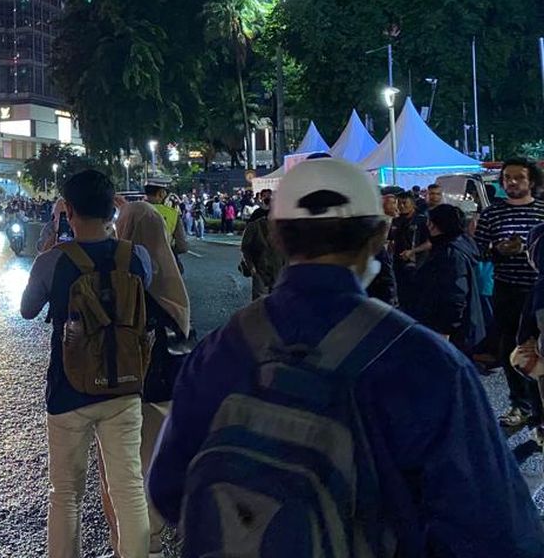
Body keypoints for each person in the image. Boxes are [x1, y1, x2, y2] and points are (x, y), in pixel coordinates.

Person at [149, 158, 544, 557]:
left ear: (276, 235)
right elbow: (494, 528)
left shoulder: (221, 351)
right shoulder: (425, 361)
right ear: (378, 234)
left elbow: (168, 489)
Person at [20, 170, 154, 558]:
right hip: (126, 385)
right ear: (112, 207)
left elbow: (28, 310)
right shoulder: (136, 257)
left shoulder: (53, 261)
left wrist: (49, 240)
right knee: (128, 488)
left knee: (65, 493)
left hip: (68, 390)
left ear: (70, 210)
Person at [101, 198, 192, 558]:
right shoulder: (169, 273)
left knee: (126, 468)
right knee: (153, 460)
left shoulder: (124, 271)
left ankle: (139, 544)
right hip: (165, 388)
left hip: (129, 389)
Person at [475, 157, 544, 430]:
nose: (512, 182)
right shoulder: (492, 213)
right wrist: (497, 250)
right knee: (512, 348)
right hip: (507, 289)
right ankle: (521, 404)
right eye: (507, 178)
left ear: (532, 181)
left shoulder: (542, 210)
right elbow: (478, 249)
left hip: (539, 290)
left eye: (519, 177)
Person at [401, 204, 483, 349]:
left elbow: (455, 294)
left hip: (446, 332)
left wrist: (445, 330)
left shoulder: (450, 253)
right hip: (447, 328)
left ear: (433, 225)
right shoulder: (457, 245)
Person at [240, 189, 282, 300]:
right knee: (260, 304)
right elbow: (245, 248)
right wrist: (252, 268)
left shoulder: (284, 228)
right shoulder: (255, 224)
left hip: (279, 272)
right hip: (260, 270)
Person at [144, 182, 188, 267]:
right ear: (161, 193)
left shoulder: (134, 212)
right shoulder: (173, 214)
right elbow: (182, 246)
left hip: (141, 262)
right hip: (166, 262)